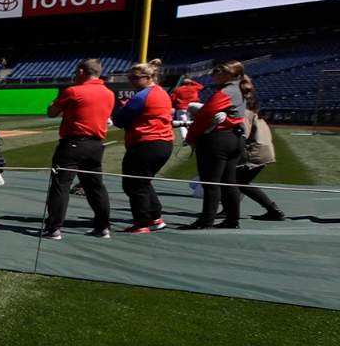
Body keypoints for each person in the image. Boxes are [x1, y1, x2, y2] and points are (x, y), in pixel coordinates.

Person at [42, 59, 113, 239]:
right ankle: (103, 226)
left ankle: (53, 228)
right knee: (95, 186)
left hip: (73, 143)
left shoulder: (74, 91)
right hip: (96, 144)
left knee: (61, 185)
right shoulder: (108, 93)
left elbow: (51, 112)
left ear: (81, 72)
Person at [184, 61, 249, 229]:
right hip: (236, 138)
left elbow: (206, 114)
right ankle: (232, 219)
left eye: (217, 70)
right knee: (229, 181)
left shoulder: (226, 92)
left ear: (230, 74)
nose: (212, 73)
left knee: (211, 182)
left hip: (218, 140)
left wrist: (191, 137)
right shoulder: (240, 89)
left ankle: (206, 221)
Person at [112, 60, 174, 233]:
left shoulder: (142, 96)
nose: (131, 81)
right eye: (129, 77)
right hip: (163, 143)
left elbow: (119, 121)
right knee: (143, 182)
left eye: (135, 77)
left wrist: (125, 108)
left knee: (134, 186)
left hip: (146, 144)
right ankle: (154, 218)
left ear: (149, 77)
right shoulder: (161, 92)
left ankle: (141, 224)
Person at [237, 96, 287, 222]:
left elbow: (243, 134)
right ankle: (273, 211)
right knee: (239, 182)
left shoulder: (244, 113)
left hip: (253, 152)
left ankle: (274, 210)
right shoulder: (256, 114)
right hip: (263, 152)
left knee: (237, 183)